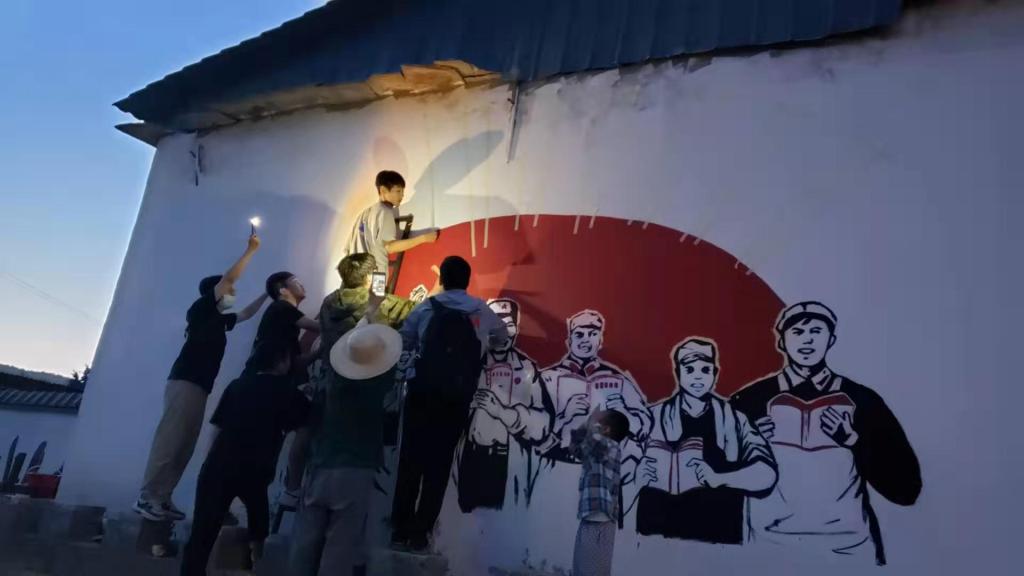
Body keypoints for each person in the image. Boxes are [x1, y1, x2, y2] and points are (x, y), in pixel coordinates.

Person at [730, 302, 921, 565]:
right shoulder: (748, 400)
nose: (807, 340)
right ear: (781, 341)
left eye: (816, 331)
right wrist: (749, 445)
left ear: (831, 339)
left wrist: (854, 441)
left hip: (850, 548)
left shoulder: (863, 400)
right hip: (767, 546)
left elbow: (906, 489)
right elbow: (711, 472)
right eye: (797, 332)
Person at [134, 233, 267, 521]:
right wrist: (251, 250)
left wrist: (268, 293)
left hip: (200, 386)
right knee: (170, 439)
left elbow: (246, 313)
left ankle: (163, 497)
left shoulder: (219, 320)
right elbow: (230, 278)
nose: (232, 294)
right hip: (185, 381)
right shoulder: (202, 309)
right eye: (229, 290)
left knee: (185, 443)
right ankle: (147, 496)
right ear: (215, 293)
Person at [390, 255, 508, 552]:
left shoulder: (426, 307)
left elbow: (405, 340)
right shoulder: (480, 309)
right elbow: (501, 337)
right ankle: (421, 533)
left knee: (410, 462)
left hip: (422, 393)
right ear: (467, 281)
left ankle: (399, 531)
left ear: (441, 279)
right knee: (439, 466)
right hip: (456, 398)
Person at [179, 340, 311, 576]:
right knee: (258, 528)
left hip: (218, 465)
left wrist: (208, 463)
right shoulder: (288, 391)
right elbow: (305, 429)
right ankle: (252, 566)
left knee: (201, 535)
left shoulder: (237, 385)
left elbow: (216, 428)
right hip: (255, 471)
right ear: (281, 361)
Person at [288, 318, 404, 576]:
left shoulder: (331, 382)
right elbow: (390, 370)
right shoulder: (376, 385)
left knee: (305, 542)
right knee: (339, 548)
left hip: (320, 465)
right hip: (355, 469)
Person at [634, 338, 776, 544]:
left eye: (705, 370)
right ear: (678, 373)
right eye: (690, 370)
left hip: (719, 535)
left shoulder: (735, 420)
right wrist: (636, 477)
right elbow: (619, 468)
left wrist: (719, 478)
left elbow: (767, 474)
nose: (698, 377)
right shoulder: (652, 417)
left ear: (714, 373)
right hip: (657, 535)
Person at [455, 298, 554, 512]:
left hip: (507, 461)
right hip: (471, 457)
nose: (502, 333)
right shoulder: (469, 363)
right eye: (495, 325)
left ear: (516, 329)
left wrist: (504, 413)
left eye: (508, 325)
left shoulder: (527, 368)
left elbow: (544, 424)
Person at [538, 310, 652, 461]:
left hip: (603, 464)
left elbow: (645, 427)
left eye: (592, 334)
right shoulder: (547, 378)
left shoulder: (617, 379)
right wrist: (564, 417)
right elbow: (531, 428)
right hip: (557, 463)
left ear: (600, 340)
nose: (586, 340)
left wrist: (625, 415)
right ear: (569, 340)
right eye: (579, 335)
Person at [344, 170, 439, 277]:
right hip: (375, 277)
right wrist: (423, 238)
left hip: (353, 276)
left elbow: (347, 248)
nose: (402, 195)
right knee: (378, 289)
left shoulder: (364, 214)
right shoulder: (385, 212)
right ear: (383, 190)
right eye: (398, 191)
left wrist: (425, 232)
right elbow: (390, 247)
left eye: (402, 191)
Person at [570, 409, 629, 576]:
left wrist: (592, 421)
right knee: (581, 567)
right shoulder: (596, 449)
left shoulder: (610, 447)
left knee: (591, 570)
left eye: (599, 422)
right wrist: (588, 424)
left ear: (606, 429)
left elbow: (590, 438)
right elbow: (575, 447)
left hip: (600, 519)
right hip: (591, 516)